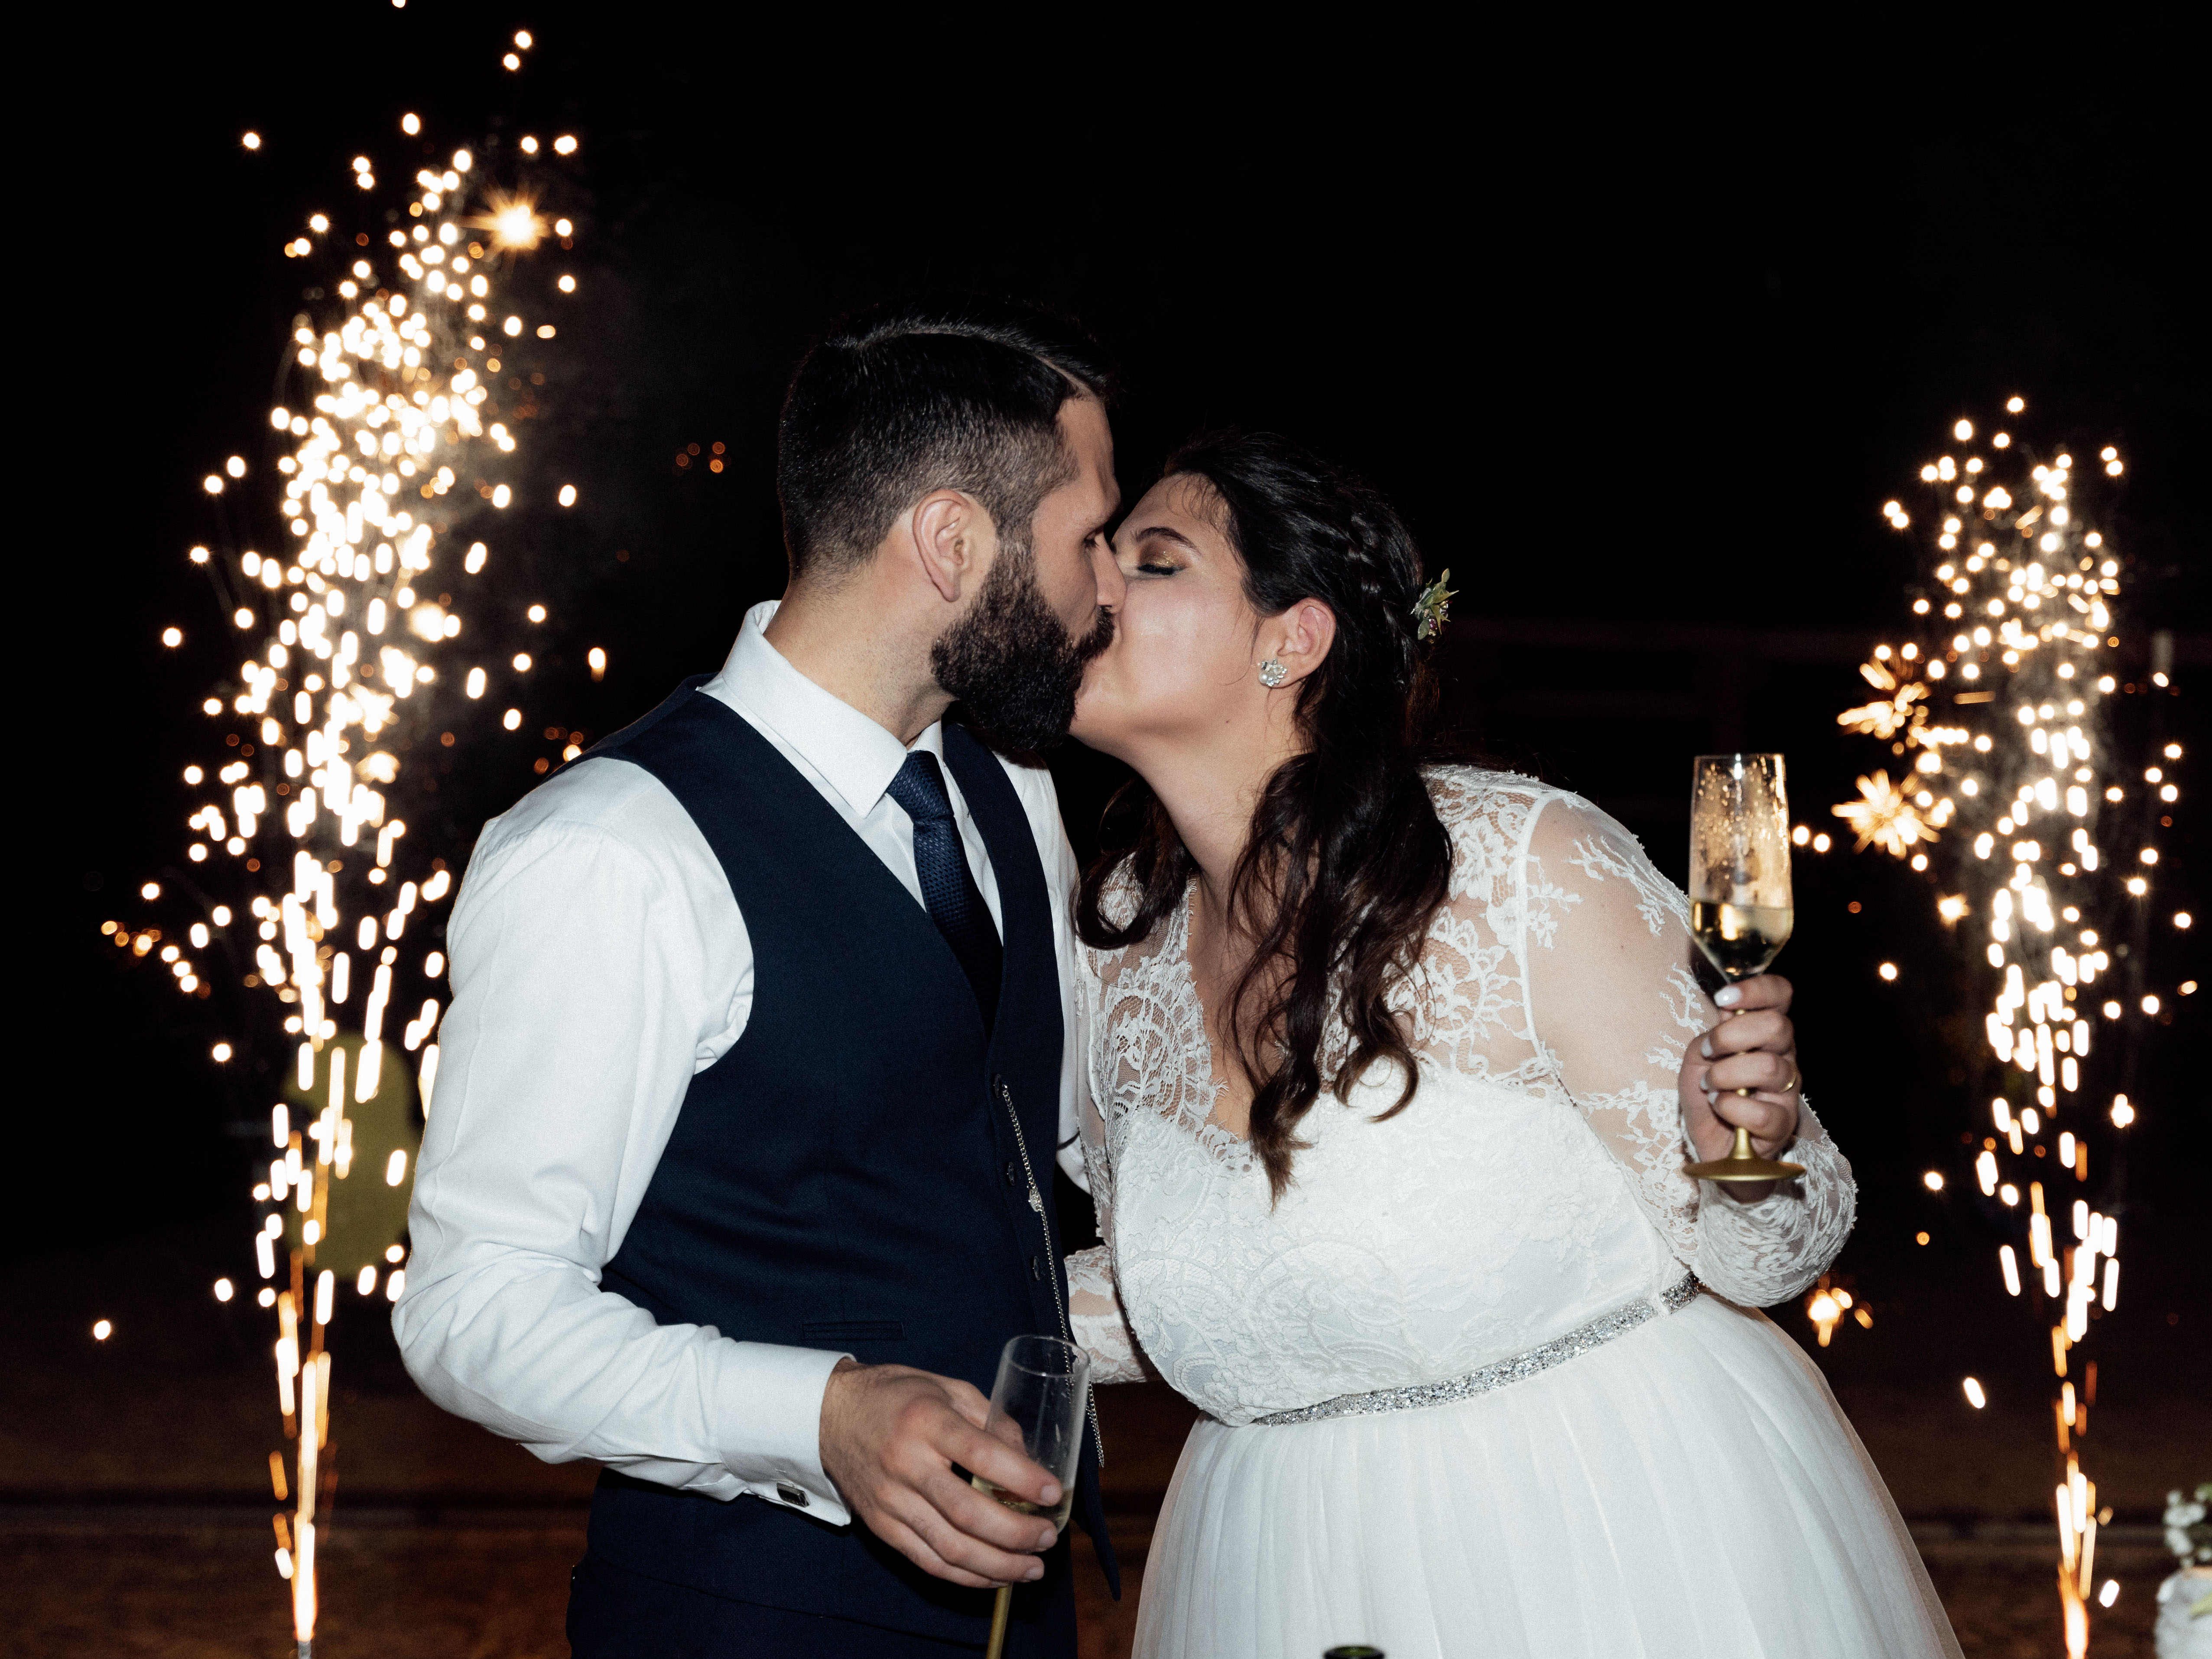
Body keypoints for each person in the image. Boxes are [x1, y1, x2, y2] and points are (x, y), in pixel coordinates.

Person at [1062, 429, 1964, 1659]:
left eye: (1152, 563)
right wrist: (868, 1347)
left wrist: (1743, 1146)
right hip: (1269, 1570)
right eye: (1100, 556)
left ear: (1293, 637)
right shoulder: (1116, 940)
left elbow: (1769, 1253)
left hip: (1595, 1536)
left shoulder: (1519, 866)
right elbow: (1179, 1291)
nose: (1094, 583)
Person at [393, 296, 1124, 1657]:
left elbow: (1054, 1144)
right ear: (953, 542)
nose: (1107, 590)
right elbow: (474, 1308)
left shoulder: (1008, 789)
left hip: (1024, 1608)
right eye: (1087, 539)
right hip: (747, 1612)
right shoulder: (612, 851)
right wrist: (817, 1414)